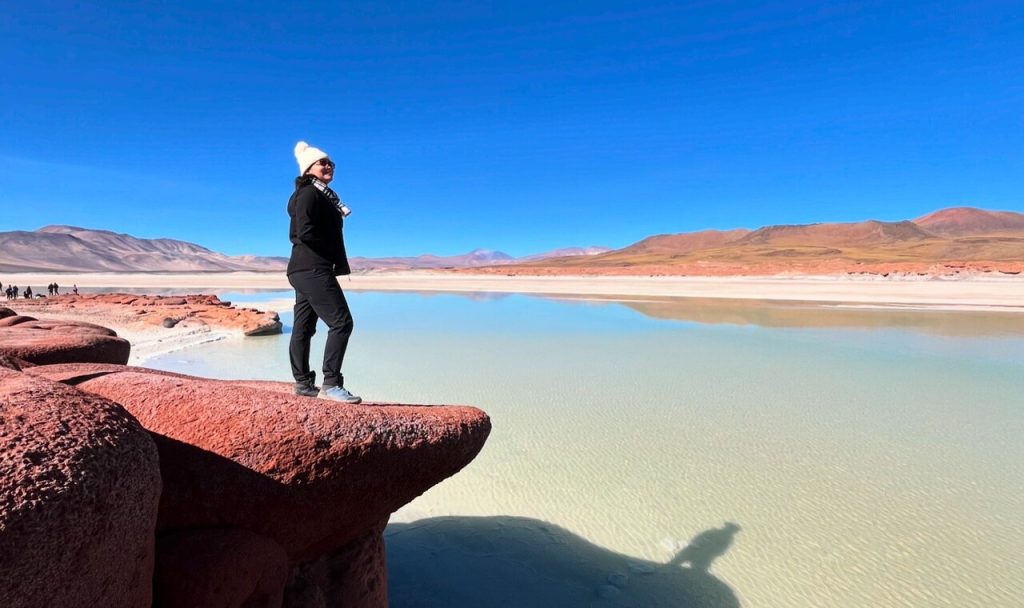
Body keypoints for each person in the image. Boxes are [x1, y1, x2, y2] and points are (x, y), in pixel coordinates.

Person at [286, 141, 361, 403]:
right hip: (313, 268)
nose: (328, 166)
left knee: (303, 328)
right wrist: (328, 255)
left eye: (331, 163)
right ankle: (331, 384)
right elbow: (303, 232)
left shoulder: (322, 195)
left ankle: (303, 383)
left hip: (303, 268)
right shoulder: (309, 194)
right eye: (323, 162)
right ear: (309, 169)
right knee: (342, 322)